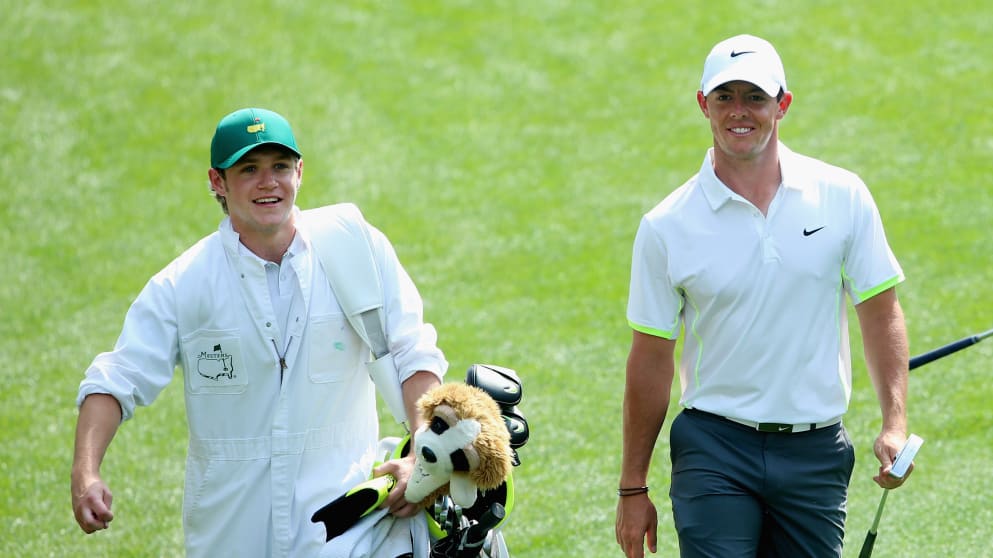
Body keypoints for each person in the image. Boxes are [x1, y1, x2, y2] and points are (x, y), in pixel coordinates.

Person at [71, 107, 448, 558]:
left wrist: (422, 459)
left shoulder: (357, 249)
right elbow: (117, 380)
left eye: (280, 167)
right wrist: (86, 473)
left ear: (300, 171)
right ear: (217, 181)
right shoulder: (183, 283)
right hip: (229, 533)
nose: (268, 182)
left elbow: (414, 353)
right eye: (249, 169)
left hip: (348, 526)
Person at [615, 35, 911, 558]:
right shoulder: (666, 226)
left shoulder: (842, 196)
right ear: (703, 104)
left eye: (754, 96)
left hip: (816, 450)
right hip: (714, 448)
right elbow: (651, 356)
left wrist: (894, 423)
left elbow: (880, 311)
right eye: (724, 97)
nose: (739, 112)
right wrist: (633, 486)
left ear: (783, 104)